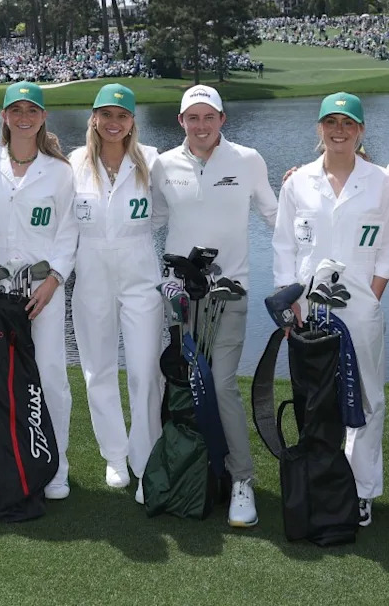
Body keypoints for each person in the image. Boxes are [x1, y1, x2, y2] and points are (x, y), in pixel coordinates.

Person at [272, 92, 389, 528]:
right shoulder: (297, 182)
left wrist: (371, 295)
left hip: (360, 307)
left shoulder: (381, 181)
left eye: (348, 123)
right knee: (314, 399)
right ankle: (321, 480)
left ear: (361, 131)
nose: (339, 130)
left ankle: (362, 490)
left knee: (368, 397)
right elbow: (284, 249)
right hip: (308, 309)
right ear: (320, 129)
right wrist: (291, 304)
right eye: (331, 122)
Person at [151, 85, 278, 527]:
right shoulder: (163, 165)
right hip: (179, 296)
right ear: (181, 122)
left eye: (209, 117)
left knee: (221, 384)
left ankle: (241, 478)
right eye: (193, 118)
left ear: (222, 120)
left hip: (230, 293)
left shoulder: (247, 160)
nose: (201, 126)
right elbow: (150, 217)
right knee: (180, 383)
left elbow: (274, 215)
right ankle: (183, 467)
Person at [0, 81, 78, 500]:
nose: (23, 117)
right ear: (4, 116)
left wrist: (54, 281)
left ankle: (55, 466)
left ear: (43, 117)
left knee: (50, 376)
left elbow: (68, 233)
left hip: (42, 290)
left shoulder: (60, 171)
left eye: (31, 110)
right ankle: (7, 459)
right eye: (15, 109)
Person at [69, 84, 162, 505]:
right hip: (90, 276)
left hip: (141, 277)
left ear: (132, 122)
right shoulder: (72, 164)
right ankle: (115, 455)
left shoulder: (154, 161)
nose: (113, 123)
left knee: (145, 371)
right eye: (105, 115)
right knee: (99, 369)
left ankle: (145, 459)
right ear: (94, 118)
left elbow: (186, 190)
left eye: (121, 116)